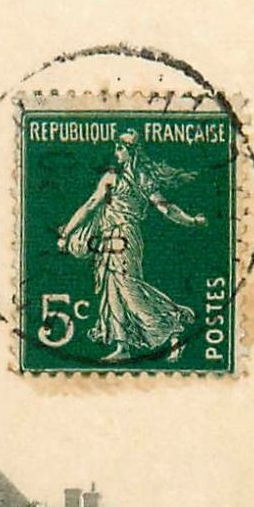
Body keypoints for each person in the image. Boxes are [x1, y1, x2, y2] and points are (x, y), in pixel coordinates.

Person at [56, 130, 203, 361]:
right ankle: (122, 346)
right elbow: (90, 205)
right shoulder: (111, 177)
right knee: (112, 290)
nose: (116, 153)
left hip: (125, 237)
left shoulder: (142, 179)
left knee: (128, 287)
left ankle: (172, 329)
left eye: (119, 148)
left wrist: (191, 221)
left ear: (130, 151)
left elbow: (166, 207)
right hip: (107, 238)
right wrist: (67, 232)